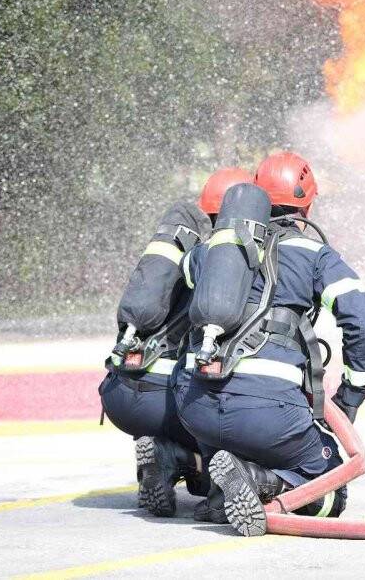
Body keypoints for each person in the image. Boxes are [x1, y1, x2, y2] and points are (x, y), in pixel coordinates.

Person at [174, 151, 365, 536]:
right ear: (308, 202)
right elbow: (360, 317)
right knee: (332, 487)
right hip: (267, 412)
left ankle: (220, 485)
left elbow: (179, 291)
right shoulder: (314, 254)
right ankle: (259, 481)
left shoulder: (217, 251)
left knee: (236, 432)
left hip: (195, 409)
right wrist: (352, 393)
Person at [99, 167, 252, 517]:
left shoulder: (178, 251)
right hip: (172, 400)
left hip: (121, 391)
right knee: (229, 411)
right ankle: (203, 482)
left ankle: (165, 461)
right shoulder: (229, 265)